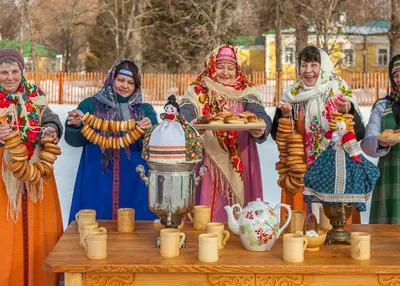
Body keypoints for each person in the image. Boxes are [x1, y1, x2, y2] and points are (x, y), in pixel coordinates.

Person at [272, 46, 365, 221]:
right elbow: (278, 136)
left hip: (337, 171)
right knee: (303, 230)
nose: (308, 71)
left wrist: (348, 110)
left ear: (323, 67)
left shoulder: (339, 92)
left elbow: (359, 133)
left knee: (336, 226)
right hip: (302, 173)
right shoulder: (292, 95)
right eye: (304, 65)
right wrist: (284, 115)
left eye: (314, 65)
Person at [180, 44, 272, 222]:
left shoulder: (246, 90)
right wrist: (189, 121)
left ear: (237, 70)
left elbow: (259, 114)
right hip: (207, 156)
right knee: (207, 206)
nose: (225, 73)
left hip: (241, 156)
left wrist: (261, 127)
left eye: (230, 68)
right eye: (220, 67)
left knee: (240, 211)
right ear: (211, 67)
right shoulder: (198, 89)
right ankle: (204, 239)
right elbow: (186, 109)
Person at [66, 59, 158, 223]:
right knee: (96, 224)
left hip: (135, 180)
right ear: (111, 79)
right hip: (97, 176)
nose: (125, 86)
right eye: (120, 80)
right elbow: (74, 141)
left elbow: (154, 146)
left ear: (136, 86)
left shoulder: (145, 110)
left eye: (130, 82)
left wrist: (148, 130)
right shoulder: (90, 105)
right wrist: (76, 125)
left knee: (135, 227)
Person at [0, 49, 63, 285]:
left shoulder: (35, 96)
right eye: (3, 72)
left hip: (37, 174)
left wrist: (51, 130)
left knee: (39, 230)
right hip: (4, 178)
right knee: (6, 233)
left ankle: (40, 279)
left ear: (22, 72)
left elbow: (50, 117)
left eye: (14, 71)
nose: (10, 77)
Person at [304, 117, 379, 211]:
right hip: (331, 153)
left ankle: (345, 201)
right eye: (338, 128)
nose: (339, 130)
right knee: (321, 174)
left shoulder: (349, 136)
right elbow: (323, 146)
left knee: (356, 175)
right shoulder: (332, 134)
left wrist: (356, 157)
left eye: (341, 128)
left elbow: (353, 151)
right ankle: (330, 199)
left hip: (347, 156)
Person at [361, 54, 400, 224]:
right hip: (390, 174)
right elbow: (367, 141)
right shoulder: (383, 105)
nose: (399, 79)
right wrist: (380, 142)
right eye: (396, 75)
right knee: (386, 237)